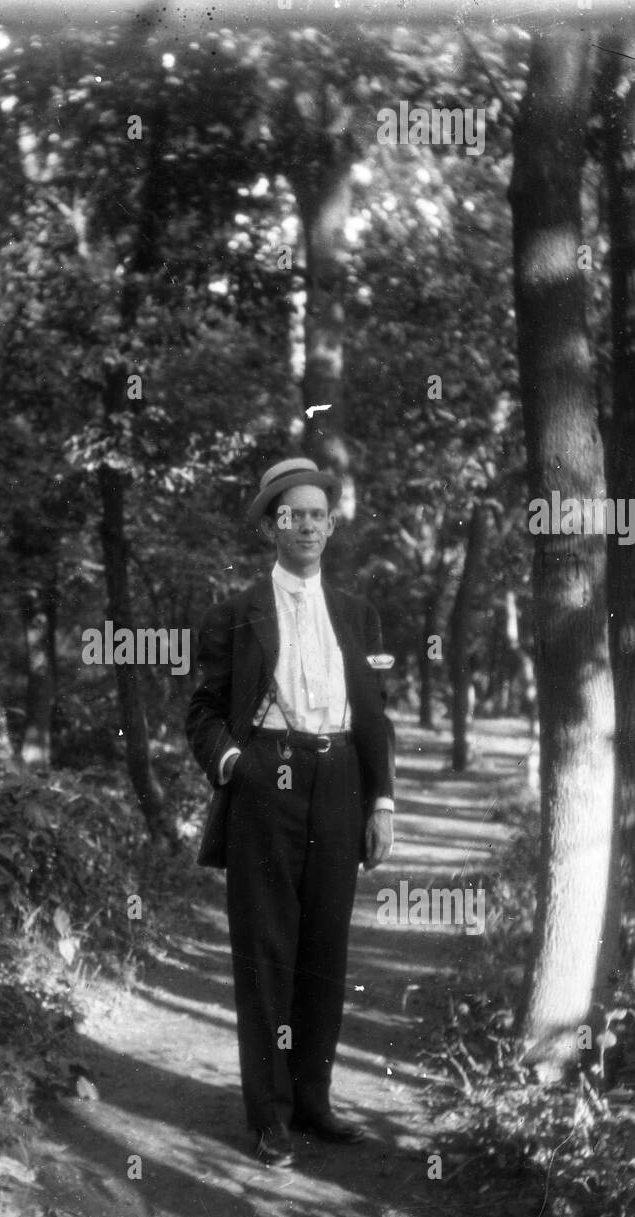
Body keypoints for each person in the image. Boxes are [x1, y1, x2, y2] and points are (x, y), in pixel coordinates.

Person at [186, 458, 395, 1167]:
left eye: (317, 515)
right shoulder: (234, 615)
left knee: (324, 953)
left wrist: (382, 800)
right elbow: (204, 711)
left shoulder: (358, 616)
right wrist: (234, 765)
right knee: (267, 950)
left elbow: (374, 719)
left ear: (331, 527)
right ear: (273, 526)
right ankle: (269, 1115)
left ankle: (313, 1102)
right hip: (264, 786)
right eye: (292, 515)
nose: (306, 525)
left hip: (337, 783)